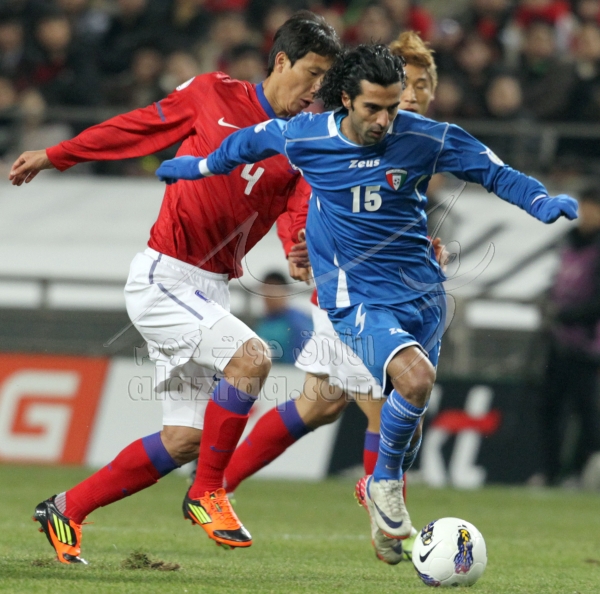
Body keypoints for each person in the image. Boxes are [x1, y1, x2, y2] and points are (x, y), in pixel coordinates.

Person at [155, 43, 578, 562]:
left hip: (421, 296)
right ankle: (375, 488)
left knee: (370, 410)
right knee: (410, 382)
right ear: (346, 100)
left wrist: (539, 200)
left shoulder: (423, 137)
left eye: (394, 106)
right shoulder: (308, 135)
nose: (385, 120)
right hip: (354, 298)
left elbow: (493, 171)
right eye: (373, 108)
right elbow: (246, 144)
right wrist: (197, 168)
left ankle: (375, 487)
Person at [8, 11, 341, 564]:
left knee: (184, 440)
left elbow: (299, 210)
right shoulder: (214, 94)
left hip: (211, 289)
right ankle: (208, 492)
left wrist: (298, 247)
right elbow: (139, 126)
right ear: (281, 61)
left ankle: (66, 508)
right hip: (164, 275)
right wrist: (56, 156)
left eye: (325, 79)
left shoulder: (303, 142)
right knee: (253, 358)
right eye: (312, 73)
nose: (316, 89)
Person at [221, 31, 441, 566]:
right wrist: (297, 241)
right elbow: (302, 188)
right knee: (390, 404)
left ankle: (215, 485)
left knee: (319, 402)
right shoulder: (341, 134)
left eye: (422, 86)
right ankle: (386, 525)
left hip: (380, 289)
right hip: (356, 295)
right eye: (406, 85)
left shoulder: (415, 140)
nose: (412, 96)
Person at [538, 184, 600, 487]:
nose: (587, 213)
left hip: (589, 345)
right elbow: (556, 280)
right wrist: (549, 306)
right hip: (559, 340)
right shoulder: (569, 241)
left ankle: (579, 473)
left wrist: (569, 315)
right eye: (584, 205)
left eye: (593, 207)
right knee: (549, 408)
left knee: (586, 412)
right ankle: (550, 473)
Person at [255, 271, 312, 364]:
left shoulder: (296, 321)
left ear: (285, 292)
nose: (268, 295)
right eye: (265, 290)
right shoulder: (263, 323)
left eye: (273, 290)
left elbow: (306, 353)